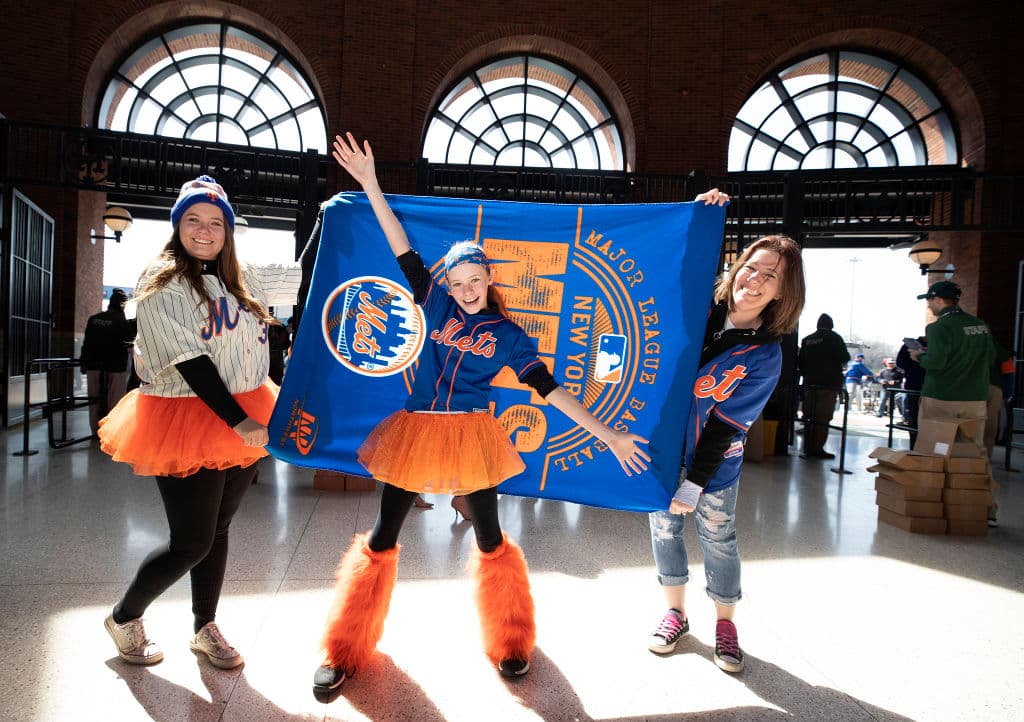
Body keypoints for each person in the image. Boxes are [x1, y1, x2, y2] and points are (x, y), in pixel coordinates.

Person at [312, 133, 651, 696]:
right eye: (458, 281)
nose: (466, 290)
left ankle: (512, 642)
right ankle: (345, 650)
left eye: (476, 280)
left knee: (490, 536)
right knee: (382, 534)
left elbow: (551, 390)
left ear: (489, 281)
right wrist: (370, 183)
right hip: (415, 429)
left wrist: (609, 433)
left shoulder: (510, 336)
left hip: (472, 435)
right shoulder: (436, 301)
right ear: (445, 284)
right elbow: (401, 249)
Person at [97, 176, 306, 669]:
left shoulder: (243, 276)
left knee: (220, 528)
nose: (205, 230)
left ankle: (204, 626)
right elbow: (192, 363)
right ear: (178, 225)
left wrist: (334, 217)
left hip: (244, 408)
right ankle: (124, 617)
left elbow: (307, 273)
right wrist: (238, 421)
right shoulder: (161, 281)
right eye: (193, 219)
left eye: (216, 222)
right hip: (188, 413)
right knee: (191, 541)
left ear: (229, 230)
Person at [647, 232, 805, 674]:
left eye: (770, 276)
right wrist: (699, 216)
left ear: (782, 292)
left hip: (713, 466)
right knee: (664, 533)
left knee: (718, 538)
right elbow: (669, 265)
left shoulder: (765, 354)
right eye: (751, 266)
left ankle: (725, 624)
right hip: (660, 455)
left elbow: (727, 424)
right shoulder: (699, 308)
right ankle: (675, 614)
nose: (755, 279)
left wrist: (695, 482)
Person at [909, 280, 995, 456]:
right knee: (971, 449)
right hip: (975, 397)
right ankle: (969, 482)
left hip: (941, 397)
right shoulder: (980, 325)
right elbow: (991, 358)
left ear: (939, 300)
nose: (928, 305)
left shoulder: (938, 327)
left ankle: (934, 483)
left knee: (935, 449)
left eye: (929, 301)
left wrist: (920, 356)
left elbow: (935, 363)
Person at [80, 288, 136, 436]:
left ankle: (94, 431)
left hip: (93, 365)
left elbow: (86, 343)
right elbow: (130, 344)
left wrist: (83, 362)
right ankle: (110, 433)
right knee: (115, 401)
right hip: (116, 366)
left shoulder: (94, 319)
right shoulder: (122, 322)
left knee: (93, 400)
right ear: (123, 305)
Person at [797, 313, 849, 459]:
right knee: (823, 418)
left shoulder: (807, 340)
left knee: (809, 417)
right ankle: (817, 449)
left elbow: (800, 363)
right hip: (829, 384)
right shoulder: (834, 338)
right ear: (831, 325)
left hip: (810, 384)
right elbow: (845, 357)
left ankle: (807, 448)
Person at [895, 336, 926, 446]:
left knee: (916, 416)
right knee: (914, 416)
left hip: (917, 385)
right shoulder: (909, 346)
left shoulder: (936, 345)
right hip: (915, 385)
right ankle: (914, 445)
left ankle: (916, 445)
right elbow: (900, 363)